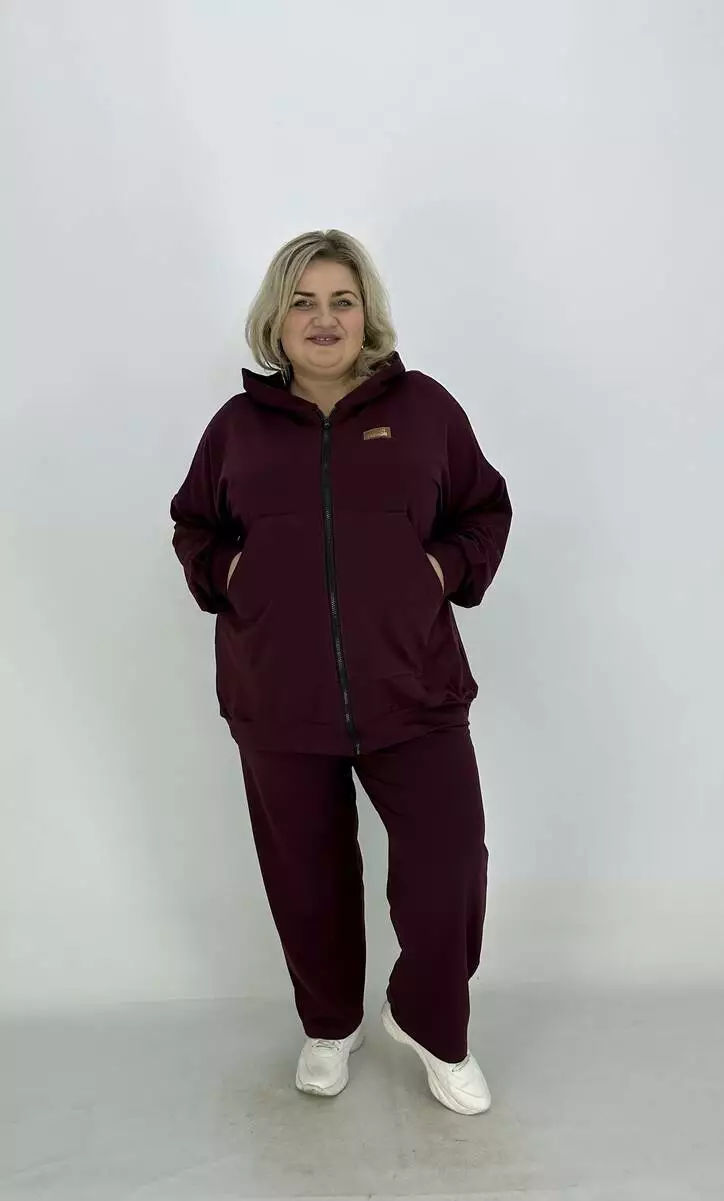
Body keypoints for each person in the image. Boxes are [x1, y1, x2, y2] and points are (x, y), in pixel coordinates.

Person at [170, 229, 512, 1116]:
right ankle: (329, 1026)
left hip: (414, 687)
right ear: (276, 319)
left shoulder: (425, 409)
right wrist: (232, 572)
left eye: (341, 301)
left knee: (450, 868)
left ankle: (428, 1019)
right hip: (277, 697)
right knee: (307, 878)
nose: (323, 319)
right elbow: (194, 526)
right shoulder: (237, 427)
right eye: (303, 302)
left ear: (367, 315)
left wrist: (436, 570)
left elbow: (483, 508)